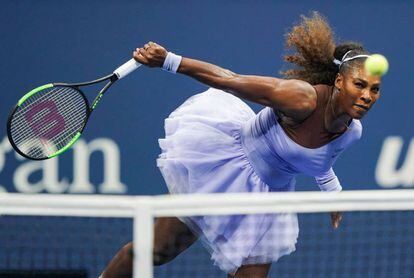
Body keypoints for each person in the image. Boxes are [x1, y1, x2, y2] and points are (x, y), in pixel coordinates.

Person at [101, 12, 382, 278]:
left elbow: (321, 159)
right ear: (339, 81)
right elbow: (229, 80)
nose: (367, 95)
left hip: (267, 201)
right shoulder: (301, 100)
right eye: (359, 84)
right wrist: (169, 60)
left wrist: (333, 194)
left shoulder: (352, 130)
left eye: (374, 89)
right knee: (154, 251)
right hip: (224, 171)